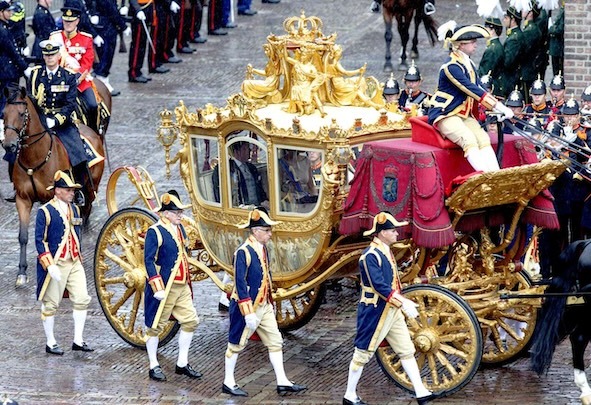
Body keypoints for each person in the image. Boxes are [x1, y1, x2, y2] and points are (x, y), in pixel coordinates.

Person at [343, 212, 439, 405]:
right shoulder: (370, 256)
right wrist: (403, 302)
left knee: (406, 350)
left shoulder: (385, 251)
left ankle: (420, 391)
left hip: (391, 309)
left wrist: (400, 303)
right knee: (362, 353)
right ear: (382, 233)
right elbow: (379, 285)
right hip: (374, 311)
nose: (397, 234)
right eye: (392, 230)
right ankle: (349, 395)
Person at [222, 207, 306, 397]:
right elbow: (240, 282)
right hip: (248, 306)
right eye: (267, 230)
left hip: (264, 304)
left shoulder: (262, 248)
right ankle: (228, 381)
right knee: (236, 343)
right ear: (256, 231)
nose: (270, 234)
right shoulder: (243, 252)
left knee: (275, 341)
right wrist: (248, 311)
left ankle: (282, 381)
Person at [428, 22, 513, 173]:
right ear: (461, 45)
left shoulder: (468, 63)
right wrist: (498, 106)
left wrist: (498, 108)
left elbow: (479, 86)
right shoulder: (451, 67)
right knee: (469, 139)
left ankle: (496, 175)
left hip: (463, 114)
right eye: (472, 42)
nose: (475, 45)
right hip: (446, 114)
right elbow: (471, 89)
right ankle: (484, 177)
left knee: (483, 139)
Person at [143, 190, 202, 382]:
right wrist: (157, 287)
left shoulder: (180, 229)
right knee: (155, 327)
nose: (180, 215)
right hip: (166, 286)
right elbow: (149, 261)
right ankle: (153, 365)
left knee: (191, 321)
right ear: (166, 213)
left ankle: (182, 363)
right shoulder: (155, 231)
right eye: (176, 212)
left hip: (181, 284)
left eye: (180, 212)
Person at [35, 170, 93, 355]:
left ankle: (78, 339)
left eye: (72, 190)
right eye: (68, 190)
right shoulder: (45, 211)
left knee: (82, 299)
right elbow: (40, 240)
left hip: (74, 261)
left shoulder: (75, 209)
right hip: (57, 262)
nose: (72, 193)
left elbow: (77, 234)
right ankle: (50, 341)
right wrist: (49, 264)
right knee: (51, 304)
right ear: (58, 191)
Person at [27, 40, 89, 201]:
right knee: (16, 150)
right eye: (47, 55)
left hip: (62, 123)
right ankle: (20, 185)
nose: (49, 58)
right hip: (40, 121)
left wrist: (55, 120)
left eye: (53, 54)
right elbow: (30, 100)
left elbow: (70, 105)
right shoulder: (35, 75)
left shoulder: (68, 77)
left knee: (78, 153)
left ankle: (79, 188)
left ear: (58, 55)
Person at [1, 0, 32, 201]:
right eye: (8, 10)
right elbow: (12, 52)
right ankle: (15, 181)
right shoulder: (2, 31)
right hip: (6, 82)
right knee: (13, 126)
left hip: (8, 79)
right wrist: (25, 67)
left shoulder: (5, 27)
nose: (11, 13)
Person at [49, 6, 99, 130]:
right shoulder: (55, 38)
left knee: (92, 105)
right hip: (59, 82)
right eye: (66, 21)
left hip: (80, 82)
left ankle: (94, 132)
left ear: (77, 21)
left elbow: (87, 64)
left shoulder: (86, 39)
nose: (68, 24)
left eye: (71, 21)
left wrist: (75, 79)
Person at [212, 141, 268, 207]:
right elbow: (220, 195)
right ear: (236, 152)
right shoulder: (224, 169)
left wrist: (264, 201)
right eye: (245, 149)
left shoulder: (251, 168)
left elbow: (260, 189)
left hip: (258, 206)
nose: (249, 151)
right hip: (241, 209)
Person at [92, 0, 131, 97]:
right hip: (105, 26)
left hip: (105, 25)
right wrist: (123, 26)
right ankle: (102, 83)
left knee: (106, 55)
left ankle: (102, 81)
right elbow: (110, 9)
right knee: (105, 55)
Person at [127, 0, 155, 83]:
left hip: (147, 8)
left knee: (142, 44)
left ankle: (138, 70)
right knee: (137, 45)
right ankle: (133, 72)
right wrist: (138, 9)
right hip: (140, 10)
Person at [477, 16, 504, 98]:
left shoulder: (492, 49)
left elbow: (485, 71)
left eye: (487, 28)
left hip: (491, 86)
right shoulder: (495, 45)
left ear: (493, 30)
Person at [519, 5, 542, 101]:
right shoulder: (529, 27)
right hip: (528, 67)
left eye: (526, 9)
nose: (522, 10)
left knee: (527, 99)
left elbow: (524, 51)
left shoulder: (530, 30)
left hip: (527, 69)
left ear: (531, 13)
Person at [501, 6, 523, 99]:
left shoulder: (514, 38)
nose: (504, 20)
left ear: (513, 20)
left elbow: (507, 62)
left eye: (506, 18)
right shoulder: (514, 35)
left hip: (511, 77)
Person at [547, 1, 564, 77]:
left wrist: (551, 28)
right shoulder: (562, 10)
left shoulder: (564, 12)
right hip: (555, 48)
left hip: (558, 47)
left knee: (558, 73)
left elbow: (560, 29)